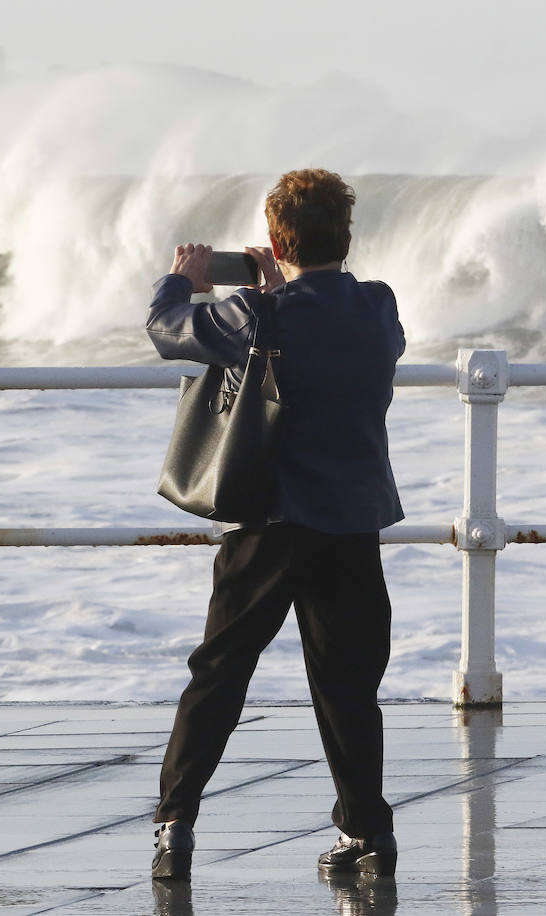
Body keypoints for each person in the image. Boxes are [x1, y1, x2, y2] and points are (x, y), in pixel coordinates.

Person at [145, 169, 404, 881]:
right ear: (344, 237)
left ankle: (176, 826)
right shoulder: (379, 308)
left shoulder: (259, 316)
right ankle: (367, 835)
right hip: (351, 523)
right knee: (348, 684)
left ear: (275, 239)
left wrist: (186, 282)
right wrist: (274, 290)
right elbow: (349, 342)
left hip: (270, 521)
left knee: (220, 674)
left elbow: (168, 334)